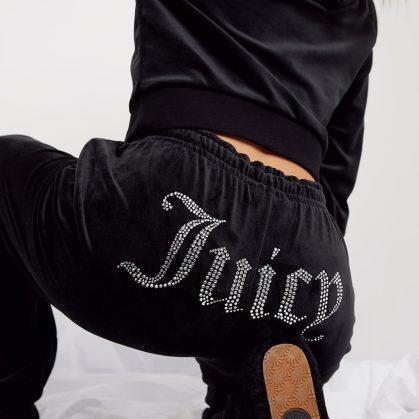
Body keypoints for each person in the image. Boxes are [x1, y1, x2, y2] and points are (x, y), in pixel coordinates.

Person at [0, 0, 377, 418]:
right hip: (315, 286)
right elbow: (336, 178)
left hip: (175, 204)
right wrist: (282, 275)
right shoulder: (357, 13)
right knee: (248, 367)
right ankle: (249, 399)